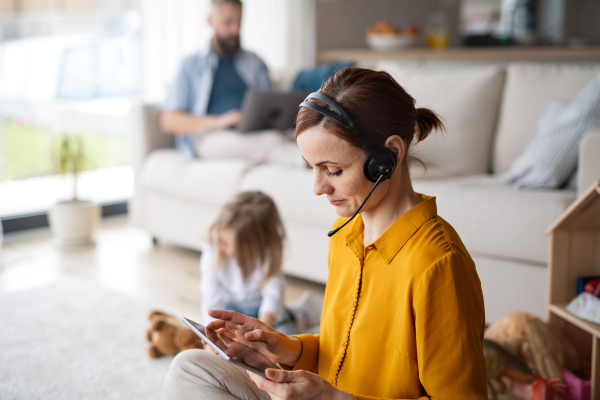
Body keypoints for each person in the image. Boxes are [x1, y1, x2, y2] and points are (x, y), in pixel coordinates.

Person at [164, 67, 488, 400]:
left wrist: (337, 399)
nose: (318, 187)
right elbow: (340, 351)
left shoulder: (439, 265)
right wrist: (285, 349)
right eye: (313, 168)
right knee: (190, 367)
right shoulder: (345, 233)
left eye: (333, 170)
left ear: (388, 157)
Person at [160, 0, 270, 160]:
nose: (235, 29)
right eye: (228, 22)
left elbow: (271, 106)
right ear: (210, 21)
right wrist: (218, 122)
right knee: (269, 144)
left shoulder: (254, 62)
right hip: (211, 136)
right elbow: (169, 120)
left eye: (239, 21)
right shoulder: (189, 66)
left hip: (253, 132)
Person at [200, 191, 286, 328]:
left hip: (261, 310)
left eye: (231, 245)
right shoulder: (213, 248)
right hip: (228, 308)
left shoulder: (267, 253)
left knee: (285, 336)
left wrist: (262, 330)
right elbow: (211, 295)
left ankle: (299, 315)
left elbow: (273, 293)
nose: (223, 247)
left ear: (257, 244)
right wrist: (210, 337)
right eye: (222, 241)